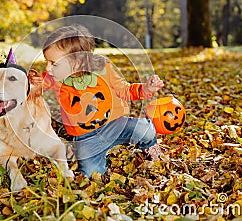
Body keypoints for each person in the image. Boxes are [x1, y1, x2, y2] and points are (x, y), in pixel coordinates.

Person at [29, 25, 166, 178]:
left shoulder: (103, 69)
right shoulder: (55, 78)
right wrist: (34, 82)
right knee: (91, 173)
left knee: (145, 130)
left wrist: (146, 89)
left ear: (78, 62)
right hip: (86, 138)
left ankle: (149, 147)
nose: (48, 68)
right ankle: (96, 156)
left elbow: (124, 90)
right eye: (47, 62)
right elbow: (40, 84)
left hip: (115, 125)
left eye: (54, 63)